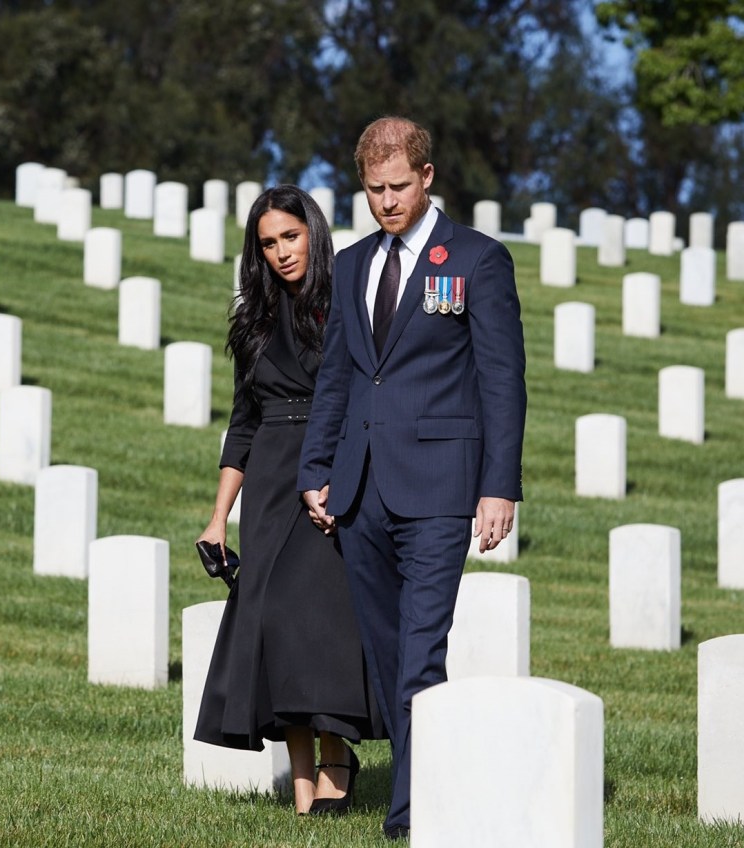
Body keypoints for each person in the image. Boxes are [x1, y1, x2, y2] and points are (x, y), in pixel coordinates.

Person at [297, 117, 527, 840]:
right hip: (360, 488)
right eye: (374, 190)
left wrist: (500, 485)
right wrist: (316, 468)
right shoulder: (357, 262)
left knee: (422, 650)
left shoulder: (478, 261)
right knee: (388, 652)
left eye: (399, 186)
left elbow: (502, 379)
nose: (388, 202)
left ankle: (413, 815)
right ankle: (437, 783)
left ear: (428, 178)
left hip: (439, 487)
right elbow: (337, 375)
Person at [194, 184, 385, 816]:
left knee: (317, 622)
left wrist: (341, 471)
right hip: (271, 480)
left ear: (315, 233)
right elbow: (242, 423)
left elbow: (364, 395)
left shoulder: (346, 302)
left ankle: (337, 755)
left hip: (328, 466)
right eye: (268, 242)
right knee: (274, 624)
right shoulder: (253, 319)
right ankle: (304, 788)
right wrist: (219, 517)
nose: (281, 252)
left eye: (291, 236)